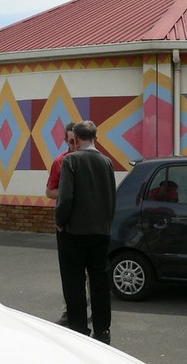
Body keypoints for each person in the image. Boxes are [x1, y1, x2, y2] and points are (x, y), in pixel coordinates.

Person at [55, 120, 115, 345]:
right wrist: (106, 224)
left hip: (74, 233)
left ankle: (79, 329)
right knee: (99, 281)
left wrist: (60, 222)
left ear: (77, 139)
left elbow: (65, 198)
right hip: (101, 231)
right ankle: (103, 330)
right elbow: (111, 197)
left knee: (74, 282)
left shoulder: (71, 160)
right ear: (95, 138)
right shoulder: (107, 162)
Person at [45, 121, 77, 325]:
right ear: (65, 141)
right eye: (70, 141)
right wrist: (70, 195)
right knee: (69, 269)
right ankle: (68, 310)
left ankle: (87, 306)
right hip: (67, 223)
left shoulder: (93, 160)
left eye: (77, 140)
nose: (74, 144)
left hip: (88, 223)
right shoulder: (60, 162)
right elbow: (49, 191)